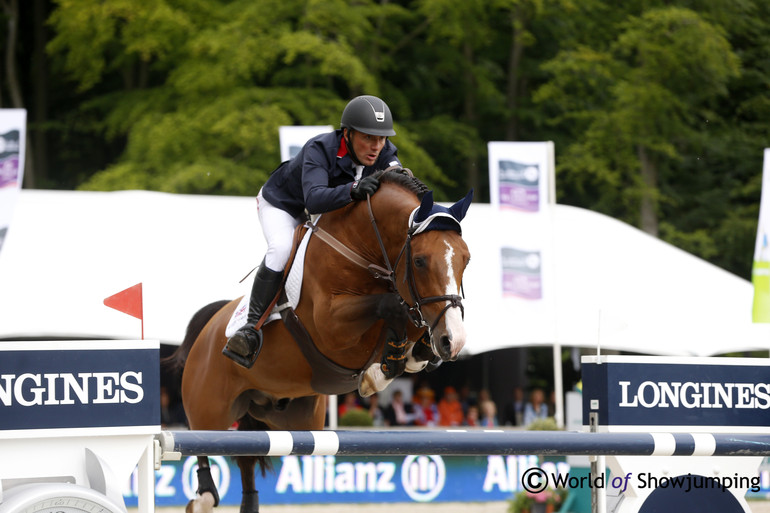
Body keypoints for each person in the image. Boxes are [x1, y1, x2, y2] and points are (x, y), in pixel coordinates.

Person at [223, 95, 402, 368]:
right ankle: (250, 329)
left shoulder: (385, 151)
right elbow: (315, 199)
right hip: (285, 205)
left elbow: (400, 183)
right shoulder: (320, 149)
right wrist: (353, 190)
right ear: (348, 133)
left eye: (381, 139)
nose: (376, 146)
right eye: (368, 137)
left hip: (328, 211)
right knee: (282, 247)